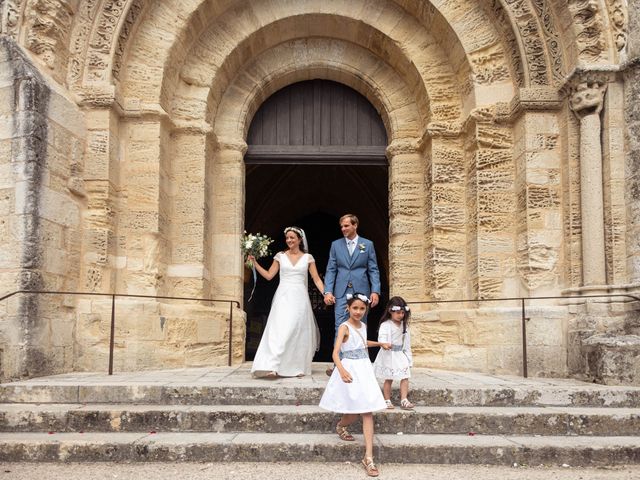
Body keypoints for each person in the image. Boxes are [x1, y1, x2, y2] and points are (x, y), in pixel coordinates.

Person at [319, 293, 390, 477]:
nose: (358, 312)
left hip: (364, 369)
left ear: (366, 309)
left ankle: (368, 457)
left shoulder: (364, 326)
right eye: (355, 308)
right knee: (351, 414)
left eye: (362, 308)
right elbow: (335, 353)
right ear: (348, 308)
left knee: (367, 411)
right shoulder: (344, 327)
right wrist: (341, 371)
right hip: (349, 369)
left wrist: (379, 343)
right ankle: (341, 425)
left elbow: (361, 344)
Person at [248, 226, 324, 378]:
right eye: (287, 238)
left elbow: (316, 279)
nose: (289, 240)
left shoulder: (308, 258)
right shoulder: (280, 256)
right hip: (283, 296)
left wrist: (326, 293)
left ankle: (296, 365)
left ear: (300, 240)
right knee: (280, 329)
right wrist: (255, 263)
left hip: (300, 298)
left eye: (292, 238)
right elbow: (269, 275)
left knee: (297, 330)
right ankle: (273, 366)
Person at [323, 214, 381, 376]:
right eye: (342, 226)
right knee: (340, 327)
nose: (343, 229)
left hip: (362, 291)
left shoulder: (367, 245)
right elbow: (331, 269)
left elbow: (373, 269)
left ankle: (361, 365)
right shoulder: (336, 245)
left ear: (355, 225)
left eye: (346, 226)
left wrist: (375, 291)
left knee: (360, 327)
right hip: (341, 292)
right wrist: (328, 291)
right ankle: (338, 366)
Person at [373, 296, 414, 410]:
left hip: (399, 354)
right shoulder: (386, 325)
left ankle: (404, 399)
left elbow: (406, 344)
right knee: (389, 377)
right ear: (390, 311)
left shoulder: (404, 326)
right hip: (388, 354)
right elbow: (382, 338)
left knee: (405, 376)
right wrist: (384, 343)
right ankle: (387, 400)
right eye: (398, 313)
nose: (401, 315)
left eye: (402, 313)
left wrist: (409, 358)